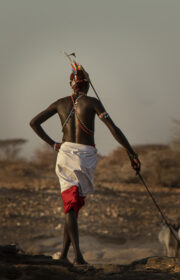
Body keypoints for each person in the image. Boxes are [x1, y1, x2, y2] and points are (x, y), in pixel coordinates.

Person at [30, 64, 141, 264]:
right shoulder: (92, 102)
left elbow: (34, 123)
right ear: (87, 85)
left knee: (72, 205)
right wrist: (131, 153)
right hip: (86, 156)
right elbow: (113, 128)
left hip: (65, 155)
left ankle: (64, 255)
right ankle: (78, 257)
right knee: (71, 206)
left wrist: (53, 144)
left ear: (71, 85)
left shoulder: (60, 103)